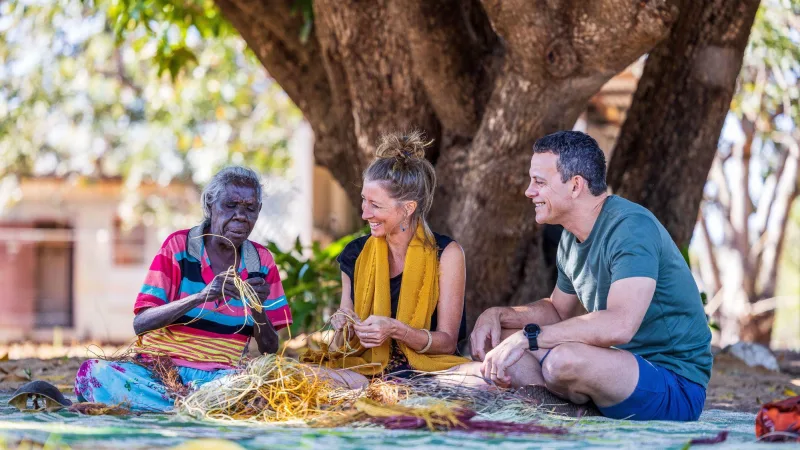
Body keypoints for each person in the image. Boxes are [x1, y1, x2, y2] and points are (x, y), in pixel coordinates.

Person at [466, 131, 712, 421]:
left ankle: (563, 406)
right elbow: (557, 310)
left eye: (539, 182)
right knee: (503, 343)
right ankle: (560, 407)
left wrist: (528, 337)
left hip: (674, 383)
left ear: (575, 186)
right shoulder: (571, 239)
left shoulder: (631, 228)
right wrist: (499, 316)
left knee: (563, 361)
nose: (528, 191)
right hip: (614, 369)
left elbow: (620, 325)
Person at [74, 166, 292, 411]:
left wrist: (257, 307)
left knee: (262, 390)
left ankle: (168, 406)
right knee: (94, 373)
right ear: (210, 206)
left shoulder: (261, 262)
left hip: (219, 379)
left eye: (250, 208)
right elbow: (141, 323)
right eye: (230, 206)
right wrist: (201, 296)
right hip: (158, 373)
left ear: (258, 212)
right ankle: (192, 406)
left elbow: (269, 348)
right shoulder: (178, 247)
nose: (241, 215)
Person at [302, 131, 470, 387]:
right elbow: (342, 342)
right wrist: (343, 324)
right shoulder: (355, 253)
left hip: (429, 372)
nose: (364, 213)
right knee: (297, 375)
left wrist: (396, 330)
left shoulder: (447, 254)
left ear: (408, 208)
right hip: (364, 370)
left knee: (486, 377)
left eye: (375, 205)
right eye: (363, 201)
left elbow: (447, 341)